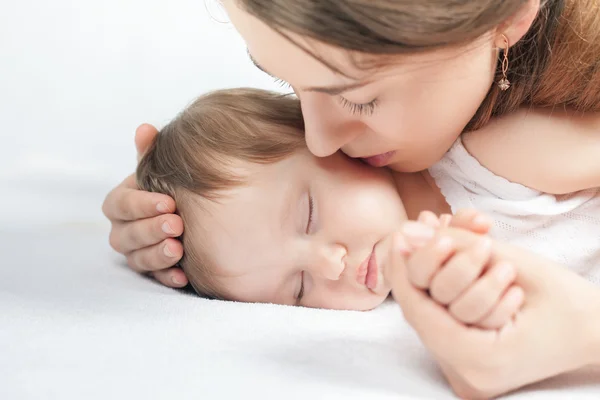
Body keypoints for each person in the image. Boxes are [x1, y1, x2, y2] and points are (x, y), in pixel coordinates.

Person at [102, 0, 600, 397]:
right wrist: (173, 223)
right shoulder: (418, 272)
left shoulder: (490, 159)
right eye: (297, 289)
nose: (321, 139)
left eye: (359, 97)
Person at [135, 87, 533, 330]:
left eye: (309, 216)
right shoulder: (432, 287)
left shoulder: (484, 157)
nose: (330, 265)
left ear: (323, 139)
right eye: (299, 289)